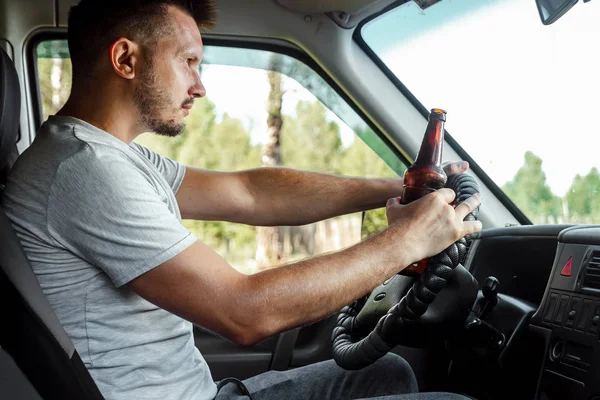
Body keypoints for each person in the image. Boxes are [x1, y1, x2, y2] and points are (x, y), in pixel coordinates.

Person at [0, 1, 482, 399]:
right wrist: (407, 242)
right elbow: (246, 312)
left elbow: (249, 192)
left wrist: (401, 191)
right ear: (126, 60)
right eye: (187, 61)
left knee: (387, 373)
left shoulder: (110, 157)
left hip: (202, 391)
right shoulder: (84, 170)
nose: (199, 85)